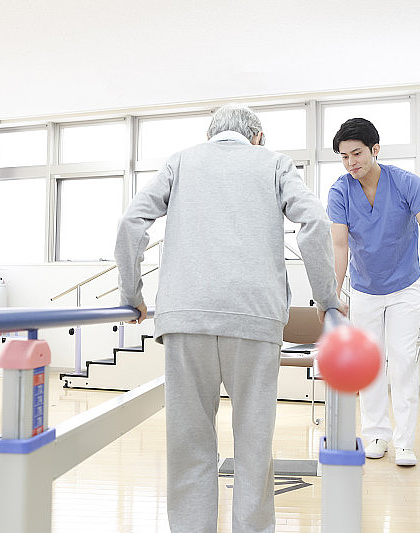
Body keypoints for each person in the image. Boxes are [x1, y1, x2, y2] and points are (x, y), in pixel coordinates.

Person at [115, 105, 346, 533]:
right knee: (254, 445)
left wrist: (132, 295)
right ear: (257, 136)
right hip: (255, 319)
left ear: (211, 135)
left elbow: (132, 222)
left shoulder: (181, 161)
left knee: (189, 444)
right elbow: (314, 221)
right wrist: (327, 298)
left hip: (186, 318)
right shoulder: (274, 162)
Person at [326, 118, 420, 466]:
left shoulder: (406, 183)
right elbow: (340, 246)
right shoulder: (340, 191)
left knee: (404, 361)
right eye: (344, 157)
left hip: (405, 287)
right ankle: (376, 433)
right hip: (364, 289)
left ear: (375, 149)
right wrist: (334, 292)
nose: (351, 163)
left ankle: (405, 441)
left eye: (357, 153)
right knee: (370, 363)